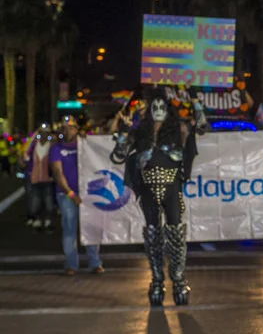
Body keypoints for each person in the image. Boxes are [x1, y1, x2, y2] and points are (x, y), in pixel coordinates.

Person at [110, 87, 205, 306]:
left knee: (175, 233)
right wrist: (124, 132)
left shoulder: (178, 129)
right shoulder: (140, 133)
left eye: (162, 107)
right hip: (147, 190)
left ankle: (179, 280)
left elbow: (200, 126)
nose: (159, 110)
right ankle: (156, 280)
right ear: (149, 110)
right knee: (153, 235)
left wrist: (194, 100)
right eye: (155, 107)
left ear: (168, 109)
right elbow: (117, 156)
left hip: (172, 188)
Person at [50, 116, 104, 276]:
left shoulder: (85, 145)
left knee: (91, 228)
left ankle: (95, 263)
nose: (68, 131)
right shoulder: (56, 149)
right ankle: (71, 264)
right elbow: (57, 173)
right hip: (67, 195)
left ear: (77, 129)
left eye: (72, 128)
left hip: (87, 194)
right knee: (69, 229)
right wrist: (71, 194)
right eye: (65, 128)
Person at [24, 124, 54, 233]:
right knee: (35, 202)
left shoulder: (52, 147)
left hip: (47, 179)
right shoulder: (33, 146)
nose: (43, 136)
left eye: (46, 133)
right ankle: (36, 221)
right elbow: (24, 155)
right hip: (35, 179)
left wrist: (53, 175)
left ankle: (47, 222)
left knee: (49, 203)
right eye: (41, 133)